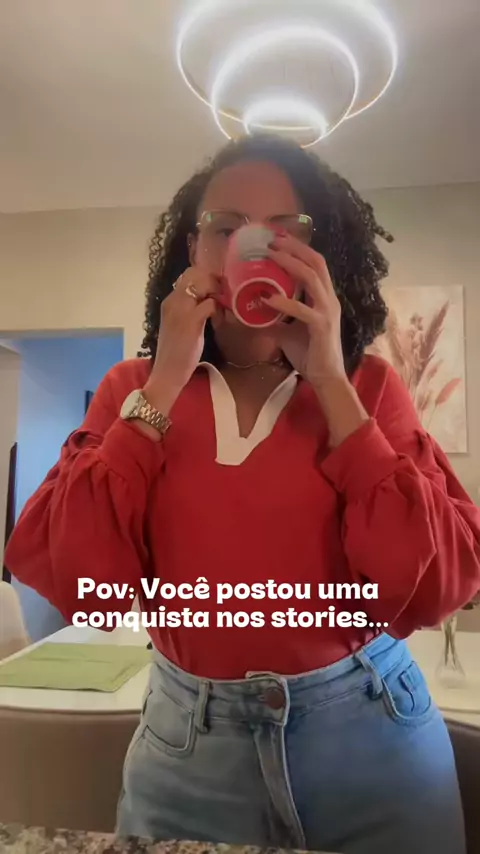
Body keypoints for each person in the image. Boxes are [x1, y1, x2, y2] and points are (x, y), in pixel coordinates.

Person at [6, 134, 480, 854]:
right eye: (226, 227)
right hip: (188, 752)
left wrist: (331, 381)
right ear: (192, 250)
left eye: (286, 232)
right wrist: (165, 379)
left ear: (320, 256)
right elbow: (84, 586)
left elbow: (431, 589)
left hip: (371, 741)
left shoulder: (370, 387)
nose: (253, 249)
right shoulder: (132, 389)